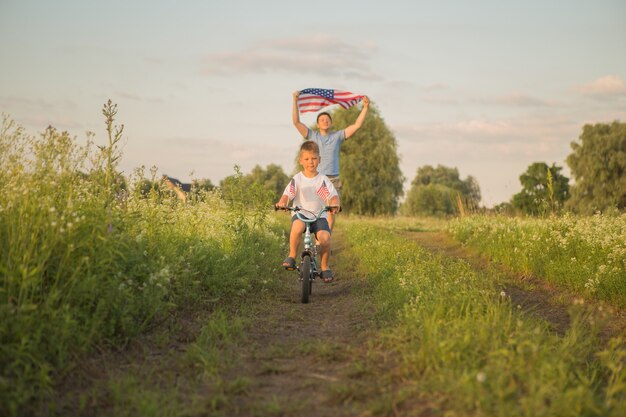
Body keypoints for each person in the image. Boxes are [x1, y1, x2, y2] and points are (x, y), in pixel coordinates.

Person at [292, 91, 369, 229]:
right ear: (317, 124)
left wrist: (365, 107)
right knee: (315, 212)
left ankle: (322, 241)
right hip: (316, 179)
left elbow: (356, 125)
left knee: (330, 214)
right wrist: (295, 100)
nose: (325, 121)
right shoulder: (312, 135)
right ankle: (316, 239)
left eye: (327, 119)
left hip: (333, 180)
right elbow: (296, 122)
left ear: (331, 123)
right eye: (322, 120)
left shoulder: (338, 136)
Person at [276, 141, 340, 282]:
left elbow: (332, 195)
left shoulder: (322, 180)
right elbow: (288, 194)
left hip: (319, 215)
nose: (310, 162)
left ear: (319, 160)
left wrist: (335, 204)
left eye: (314, 158)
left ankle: (324, 266)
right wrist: (283, 203)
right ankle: (292, 255)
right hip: (301, 213)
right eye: (307, 159)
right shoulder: (297, 179)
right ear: (301, 161)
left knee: (325, 238)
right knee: (297, 226)